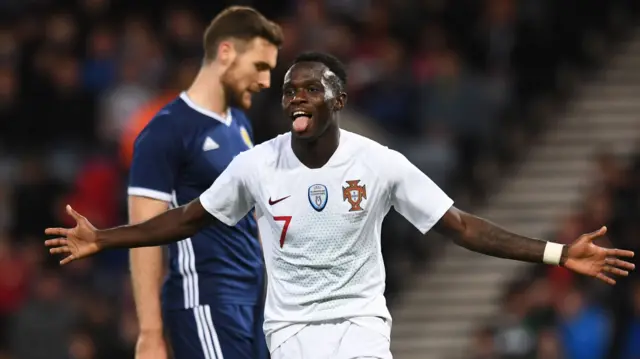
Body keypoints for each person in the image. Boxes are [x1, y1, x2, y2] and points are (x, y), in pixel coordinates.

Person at [45, 52, 635, 359]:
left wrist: (558, 253)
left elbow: (460, 226)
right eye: (289, 90)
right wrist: (104, 238)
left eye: (309, 88)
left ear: (339, 99)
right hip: (291, 330)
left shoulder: (379, 163)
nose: (295, 97)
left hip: (359, 324)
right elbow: (188, 217)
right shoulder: (257, 164)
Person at [124, 6, 282, 359]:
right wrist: (150, 334)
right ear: (226, 53)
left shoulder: (239, 123)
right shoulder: (165, 131)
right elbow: (143, 232)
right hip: (207, 304)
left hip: (253, 304)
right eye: (259, 66)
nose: (265, 81)